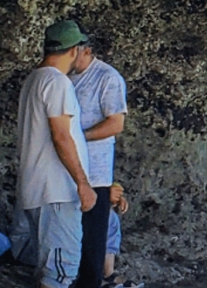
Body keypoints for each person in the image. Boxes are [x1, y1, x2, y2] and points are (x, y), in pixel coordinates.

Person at [10, 20, 97, 288]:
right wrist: (82, 183)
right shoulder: (57, 82)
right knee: (60, 271)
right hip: (57, 192)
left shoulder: (34, 79)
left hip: (37, 189)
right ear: (74, 50)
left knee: (48, 267)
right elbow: (61, 136)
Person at [71, 38, 132, 288]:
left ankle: (97, 279)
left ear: (86, 51)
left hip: (95, 174)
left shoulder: (107, 77)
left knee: (94, 237)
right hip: (67, 171)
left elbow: (116, 124)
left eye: (73, 53)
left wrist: (76, 138)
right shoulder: (63, 76)